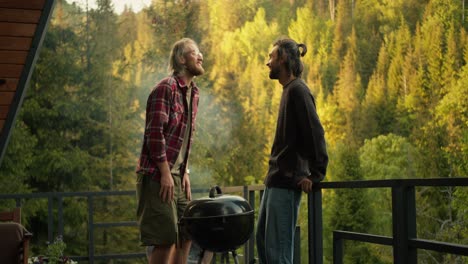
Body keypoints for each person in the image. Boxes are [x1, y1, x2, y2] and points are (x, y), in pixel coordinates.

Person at [256, 37, 328, 264]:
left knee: (278, 254)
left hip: (287, 183)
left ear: (284, 58)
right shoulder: (288, 90)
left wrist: (315, 175)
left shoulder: (298, 91)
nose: (268, 62)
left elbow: (315, 134)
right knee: (264, 244)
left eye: (271, 57)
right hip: (274, 181)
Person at [136, 37, 204, 264]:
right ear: (182, 59)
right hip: (157, 174)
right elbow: (154, 134)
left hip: (177, 174)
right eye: (195, 53)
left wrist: (184, 172)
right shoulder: (166, 88)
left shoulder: (194, 93)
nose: (201, 56)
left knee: (188, 232)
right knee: (165, 239)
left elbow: (184, 139)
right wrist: (166, 172)